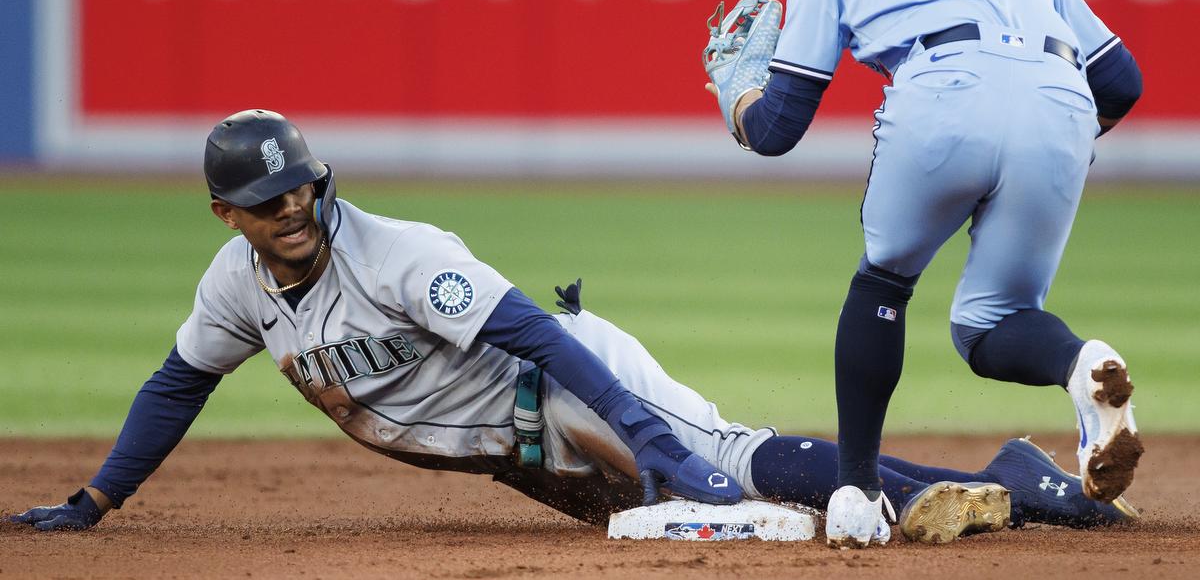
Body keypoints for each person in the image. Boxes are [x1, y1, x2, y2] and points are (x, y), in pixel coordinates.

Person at [10, 111, 1136, 544]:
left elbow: (535, 337)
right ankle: (987, 475)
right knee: (685, 499)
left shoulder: (396, 253)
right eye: (266, 202)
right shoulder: (235, 283)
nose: (292, 208)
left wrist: (650, 439)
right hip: (519, 445)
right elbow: (177, 383)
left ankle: (1021, 482)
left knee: (724, 465)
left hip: (565, 379)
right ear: (228, 216)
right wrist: (97, 500)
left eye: (302, 187)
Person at [701, 0, 1145, 547]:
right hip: (1062, 103)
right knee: (992, 322)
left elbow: (775, 130)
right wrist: (1050, 137)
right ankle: (1082, 362)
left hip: (942, 91)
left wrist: (732, 90)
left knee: (883, 281)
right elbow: (1123, 82)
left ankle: (855, 489)